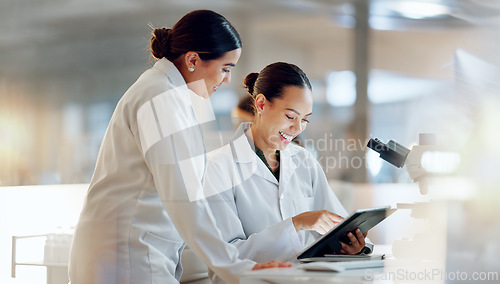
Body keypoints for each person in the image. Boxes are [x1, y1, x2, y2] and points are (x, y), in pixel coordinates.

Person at [69, 10, 290, 284]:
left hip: (137, 247)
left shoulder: (172, 95)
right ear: (193, 59)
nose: (227, 80)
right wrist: (236, 267)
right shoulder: (161, 97)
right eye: (225, 68)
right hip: (127, 252)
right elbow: (183, 196)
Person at [204, 62, 373, 283]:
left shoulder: (304, 161)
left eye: (305, 119)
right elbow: (227, 256)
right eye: (291, 117)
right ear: (262, 104)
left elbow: (334, 225)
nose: (298, 129)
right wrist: (297, 223)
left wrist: (350, 245)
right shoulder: (218, 166)